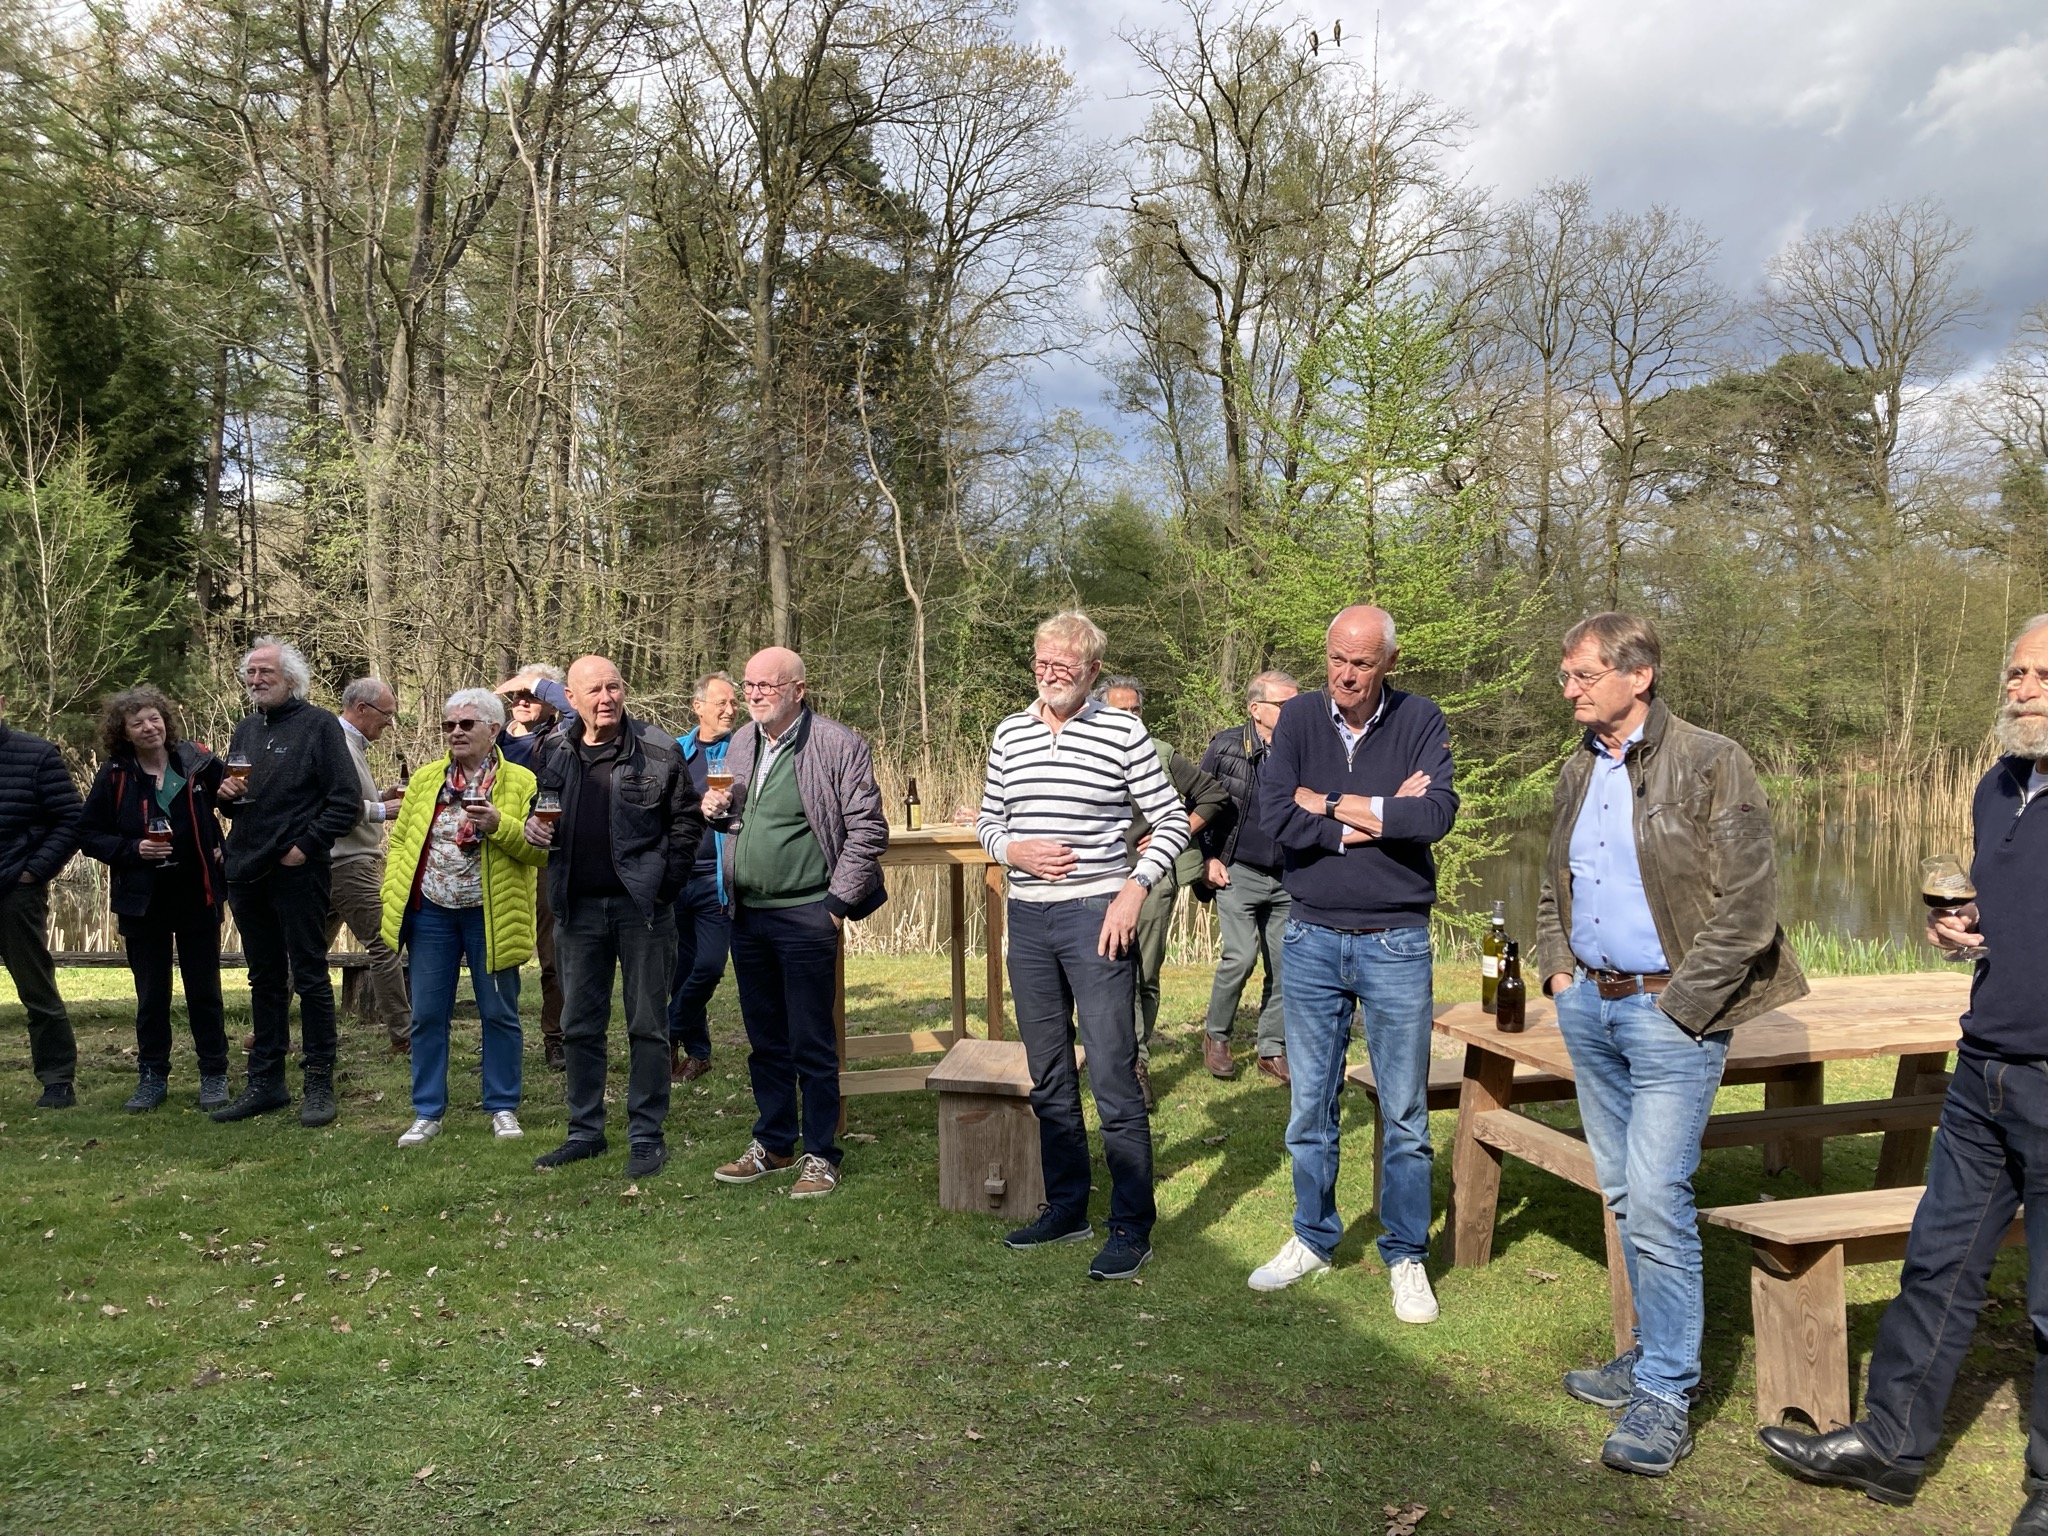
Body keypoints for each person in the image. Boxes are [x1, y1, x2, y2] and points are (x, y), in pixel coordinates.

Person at [1757, 615, 2048, 1531]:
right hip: (1984, 1066)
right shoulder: (1998, 788)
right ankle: (1889, 1441)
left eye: (2043, 675)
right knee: (1937, 1263)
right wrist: (1968, 937)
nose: (2021, 689)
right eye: (2014, 672)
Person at [1534, 612, 1806, 1477]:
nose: (1568, 689)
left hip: (1669, 1015)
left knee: (1656, 1196)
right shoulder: (1581, 766)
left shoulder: (1712, 760)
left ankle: (1665, 1393)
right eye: (1567, 676)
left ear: (1637, 675)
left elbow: (1748, 908)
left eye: (1581, 675)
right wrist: (1558, 973)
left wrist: (1681, 1007)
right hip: (1592, 1005)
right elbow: (1555, 882)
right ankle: (1650, 1355)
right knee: (1623, 1192)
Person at [1248, 605, 1455, 1327]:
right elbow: (1277, 814)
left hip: (1397, 940)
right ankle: (1312, 1235)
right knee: (1311, 1103)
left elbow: (1433, 818)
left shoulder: (1421, 719)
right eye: (1337, 658)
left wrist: (1329, 805)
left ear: (1389, 664)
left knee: (1403, 1110)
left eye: (1362, 663)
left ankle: (1405, 1254)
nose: (1346, 674)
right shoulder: (1300, 718)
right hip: (1310, 937)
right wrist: (1372, 817)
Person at [976, 611, 1188, 1281]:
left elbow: (1173, 820)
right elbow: (987, 819)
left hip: (1097, 917)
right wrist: (1012, 848)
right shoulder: (1009, 734)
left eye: (1063, 669)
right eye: (1041, 666)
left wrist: (1134, 890)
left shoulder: (1123, 732)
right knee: (1050, 1079)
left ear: (1092, 671)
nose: (1049, 679)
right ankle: (1067, 1207)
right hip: (1030, 925)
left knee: (1114, 1076)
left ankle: (1131, 1225)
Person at [704, 648, 888, 1200]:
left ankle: (821, 1155)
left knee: (812, 1040)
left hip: (807, 913)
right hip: (748, 913)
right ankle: (775, 1144)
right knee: (765, 1040)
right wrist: (713, 810)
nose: (756, 694)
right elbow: (736, 809)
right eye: (750, 685)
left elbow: (867, 831)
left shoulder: (839, 744)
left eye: (768, 685)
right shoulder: (740, 742)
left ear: (798, 691)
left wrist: (834, 905)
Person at [522, 655, 703, 1178]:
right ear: (570, 700)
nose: (606, 698)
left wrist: (666, 885)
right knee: (580, 1025)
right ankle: (585, 1132)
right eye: (594, 691)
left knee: (648, 1025)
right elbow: (542, 806)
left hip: (642, 910)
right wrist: (536, 827)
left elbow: (687, 820)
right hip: (575, 910)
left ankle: (646, 1135)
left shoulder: (658, 748)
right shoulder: (552, 749)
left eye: (613, 687)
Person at [380, 689, 546, 1147]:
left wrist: (500, 826)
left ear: (493, 729)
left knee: (499, 1013)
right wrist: (392, 887)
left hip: (490, 914)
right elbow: (402, 843)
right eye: (448, 725)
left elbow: (541, 851)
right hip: (432, 913)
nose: (455, 732)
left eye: (466, 724)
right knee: (429, 1015)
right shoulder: (428, 780)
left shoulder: (522, 782)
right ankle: (427, 1111)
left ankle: (503, 1107)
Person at [212, 637, 362, 1127]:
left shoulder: (318, 725)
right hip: (246, 871)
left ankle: (318, 1077)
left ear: (291, 679)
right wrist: (227, 796)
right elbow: (237, 802)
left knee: (311, 976)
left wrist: (305, 846)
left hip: (297, 870)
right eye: (250, 674)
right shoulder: (247, 729)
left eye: (265, 673)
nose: (256, 681)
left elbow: (344, 802)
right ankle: (266, 1081)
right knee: (265, 978)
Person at [77, 688, 231, 1112]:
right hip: (142, 901)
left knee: (205, 991)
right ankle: (152, 1076)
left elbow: (241, 802)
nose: (149, 728)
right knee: (151, 994)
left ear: (166, 720)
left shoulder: (196, 763)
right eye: (137, 723)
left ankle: (214, 1074)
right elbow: (88, 834)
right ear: (123, 733)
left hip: (196, 892)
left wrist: (228, 850)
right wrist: (134, 850)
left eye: (154, 719)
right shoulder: (115, 774)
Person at [1095, 676, 1227, 1110]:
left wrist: (1175, 831)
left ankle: (1137, 1063)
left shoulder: (1161, 754)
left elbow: (1213, 795)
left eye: (1136, 711)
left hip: (1153, 880)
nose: (1132, 719)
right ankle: (1118, 1061)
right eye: (1121, 711)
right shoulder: (1086, 751)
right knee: (1108, 970)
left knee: (1143, 973)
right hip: (1099, 879)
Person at [1196, 670, 1300, 1082]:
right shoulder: (1224, 746)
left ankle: (1272, 1048)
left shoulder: (1304, 747)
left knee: (1287, 962)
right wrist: (1206, 858)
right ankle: (1216, 1037)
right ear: (1256, 709)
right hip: (1237, 869)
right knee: (1240, 956)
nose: (1295, 712)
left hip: (1291, 875)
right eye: (1284, 705)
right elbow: (1197, 805)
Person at [0, 691, 84, 1108]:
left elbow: (71, 818)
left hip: (15, 892)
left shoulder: (36, 756)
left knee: (36, 989)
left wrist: (34, 871)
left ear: (2, 703)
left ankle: (57, 1080)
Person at [496, 664, 574, 1070]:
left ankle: (554, 1037)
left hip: (545, 852)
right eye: (517, 696)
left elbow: (577, 710)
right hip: (496, 851)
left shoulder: (564, 734)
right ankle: (496, 1039)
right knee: (495, 949)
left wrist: (536, 682)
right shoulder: (492, 736)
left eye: (532, 696)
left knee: (551, 954)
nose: (522, 702)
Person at [328, 677, 411, 1055]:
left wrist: (379, 796)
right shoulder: (337, 744)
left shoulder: (348, 744)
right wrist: (383, 810)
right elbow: (328, 805)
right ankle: (405, 1035)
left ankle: (267, 1032)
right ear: (361, 709)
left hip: (331, 861)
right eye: (386, 715)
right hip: (348, 862)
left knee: (306, 950)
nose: (389, 723)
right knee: (385, 943)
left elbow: (347, 799)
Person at [670, 671, 739, 1083]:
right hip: (677, 876)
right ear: (698, 707)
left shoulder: (744, 748)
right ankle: (698, 1053)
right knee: (681, 968)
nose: (730, 709)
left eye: (734, 703)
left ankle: (665, 1033)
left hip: (717, 878)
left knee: (710, 966)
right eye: (721, 703)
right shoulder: (676, 751)